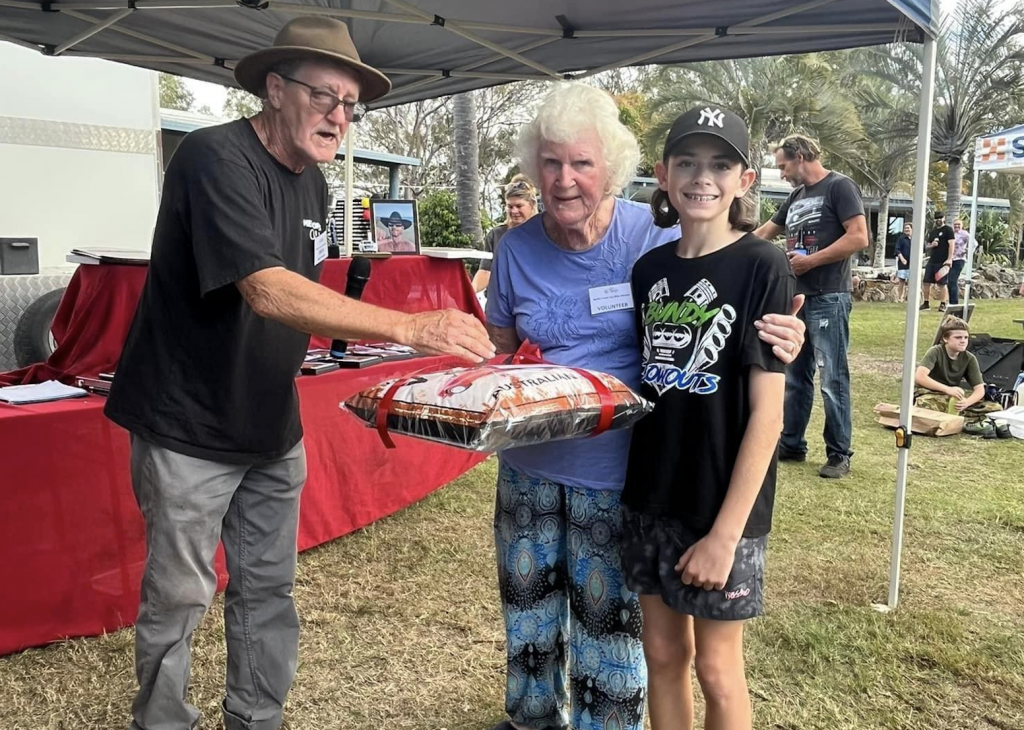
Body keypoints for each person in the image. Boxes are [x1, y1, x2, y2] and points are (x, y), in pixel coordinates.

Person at [104, 17, 494, 730]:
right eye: (325, 97)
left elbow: (299, 306)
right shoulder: (212, 157)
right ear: (275, 89)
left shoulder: (314, 185)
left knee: (268, 588)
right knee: (180, 593)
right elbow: (266, 288)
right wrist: (410, 326)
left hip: (269, 421)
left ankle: (256, 718)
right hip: (187, 419)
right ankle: (160, 722)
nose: (339, 117)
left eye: (351, 105)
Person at [485, 83, 807, 730]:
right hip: (590, 478)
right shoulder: (559, 254)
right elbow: (502, 347)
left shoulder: (691, 248)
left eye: (582, 162)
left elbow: (758, 385)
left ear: (614, 169)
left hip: (660, 483)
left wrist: (793, 336)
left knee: (675, 653)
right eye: (551, 163)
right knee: (594, 633)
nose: (566, 178)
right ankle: (534, 718)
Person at [622, 106, 794, 730]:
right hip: (650, 492)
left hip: (722, 505)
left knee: (718, 670)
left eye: (721, 164)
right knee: (663, 655)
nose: (703, 178)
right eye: (688, 163)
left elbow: (767, 418)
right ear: (663, 175)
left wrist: (724, 536)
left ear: (745, 180)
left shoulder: (761, 266)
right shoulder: (648, 271)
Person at [754, 134, 869, 479]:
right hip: (798, 297)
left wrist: (811, 262)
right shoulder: (796, 197)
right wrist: (727, 246)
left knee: (831, 377)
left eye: (783, 165)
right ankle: (791, 443)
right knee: (795, 376)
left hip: (829, 295)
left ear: (801, 156)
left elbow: (859, 237)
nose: (782, 173)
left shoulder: (840, 187)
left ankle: (839, 453)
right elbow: (764, 232)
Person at [914, 316, 1000, 424]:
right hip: (929, 393)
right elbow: (920, 377)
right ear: (946, 338)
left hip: (952, 398)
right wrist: (947, 389)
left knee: (995, 408)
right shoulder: (935, 352)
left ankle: (954, 418)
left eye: (966, 337)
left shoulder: (969, 358)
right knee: (925, 404)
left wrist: (967, 402)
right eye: (958, 338)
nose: (963, 341)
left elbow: (980, 389)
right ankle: (960, 419)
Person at [472, 174, 538, 292]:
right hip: (499, 303)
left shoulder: (544, 235)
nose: (514, 211)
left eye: (519, 206)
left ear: (532, 205)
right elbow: (486, 271)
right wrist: (471, 291)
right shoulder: (496, 235)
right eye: (510, 206)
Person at [920, 210, 954, 312]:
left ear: (944, 218)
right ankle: (926, 303)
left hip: (943, 261)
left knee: (942, 283)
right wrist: (932, 245)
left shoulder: (948, 230)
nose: (939, 220)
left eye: (940, 218)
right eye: (937, 218)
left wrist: (949, 259)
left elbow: (952, 245)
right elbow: (927, 246)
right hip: (932, 260)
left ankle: (943, 304)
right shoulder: (933, 231)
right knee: (926, 282)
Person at [948, 218, 974, 306]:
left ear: (962, 225)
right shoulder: (951, 234)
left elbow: (974, 243)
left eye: (959, 224)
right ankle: (951, 301)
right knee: (949, 281)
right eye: (955, 224)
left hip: (959, 259)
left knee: (953, 280)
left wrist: (967, 250)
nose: (957, 226)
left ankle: (954, 302)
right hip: (950, 259)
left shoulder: (964, 234)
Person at [894, 223, 912, 302]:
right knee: (902, 280)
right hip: (903, 263)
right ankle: (900, 298)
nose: (906, 229)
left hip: (913, 263)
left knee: (912, 281)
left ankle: (910, 298)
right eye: (905, 228)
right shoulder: (901, 238)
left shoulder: (916, 238)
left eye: (908, 228)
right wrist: (902, 259)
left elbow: (923, 249)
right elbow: (897, 250)